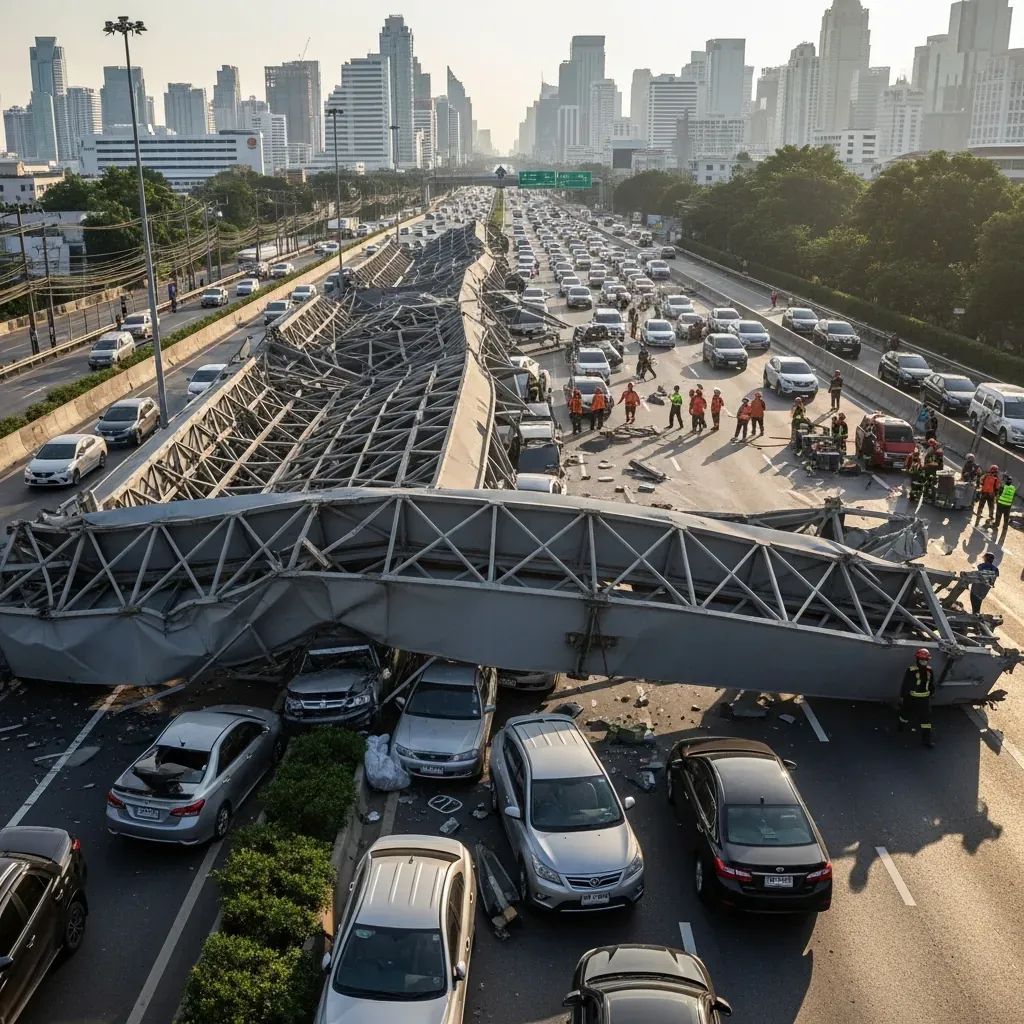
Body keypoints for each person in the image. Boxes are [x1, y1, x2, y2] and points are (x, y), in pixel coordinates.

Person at [898, 648, 936, 748]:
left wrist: (931, 694)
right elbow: (905, 685)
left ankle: (926, 741)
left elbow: (931, 684)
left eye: (925, 659)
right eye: (922, 659)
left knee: (926, 721)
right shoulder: (912, 670)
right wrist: (902, 696)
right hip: (913, 698)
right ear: (917, 659)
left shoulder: (929, 670)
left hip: (922, 699)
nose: (924, 661)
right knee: (905, 714)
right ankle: (901, 727)